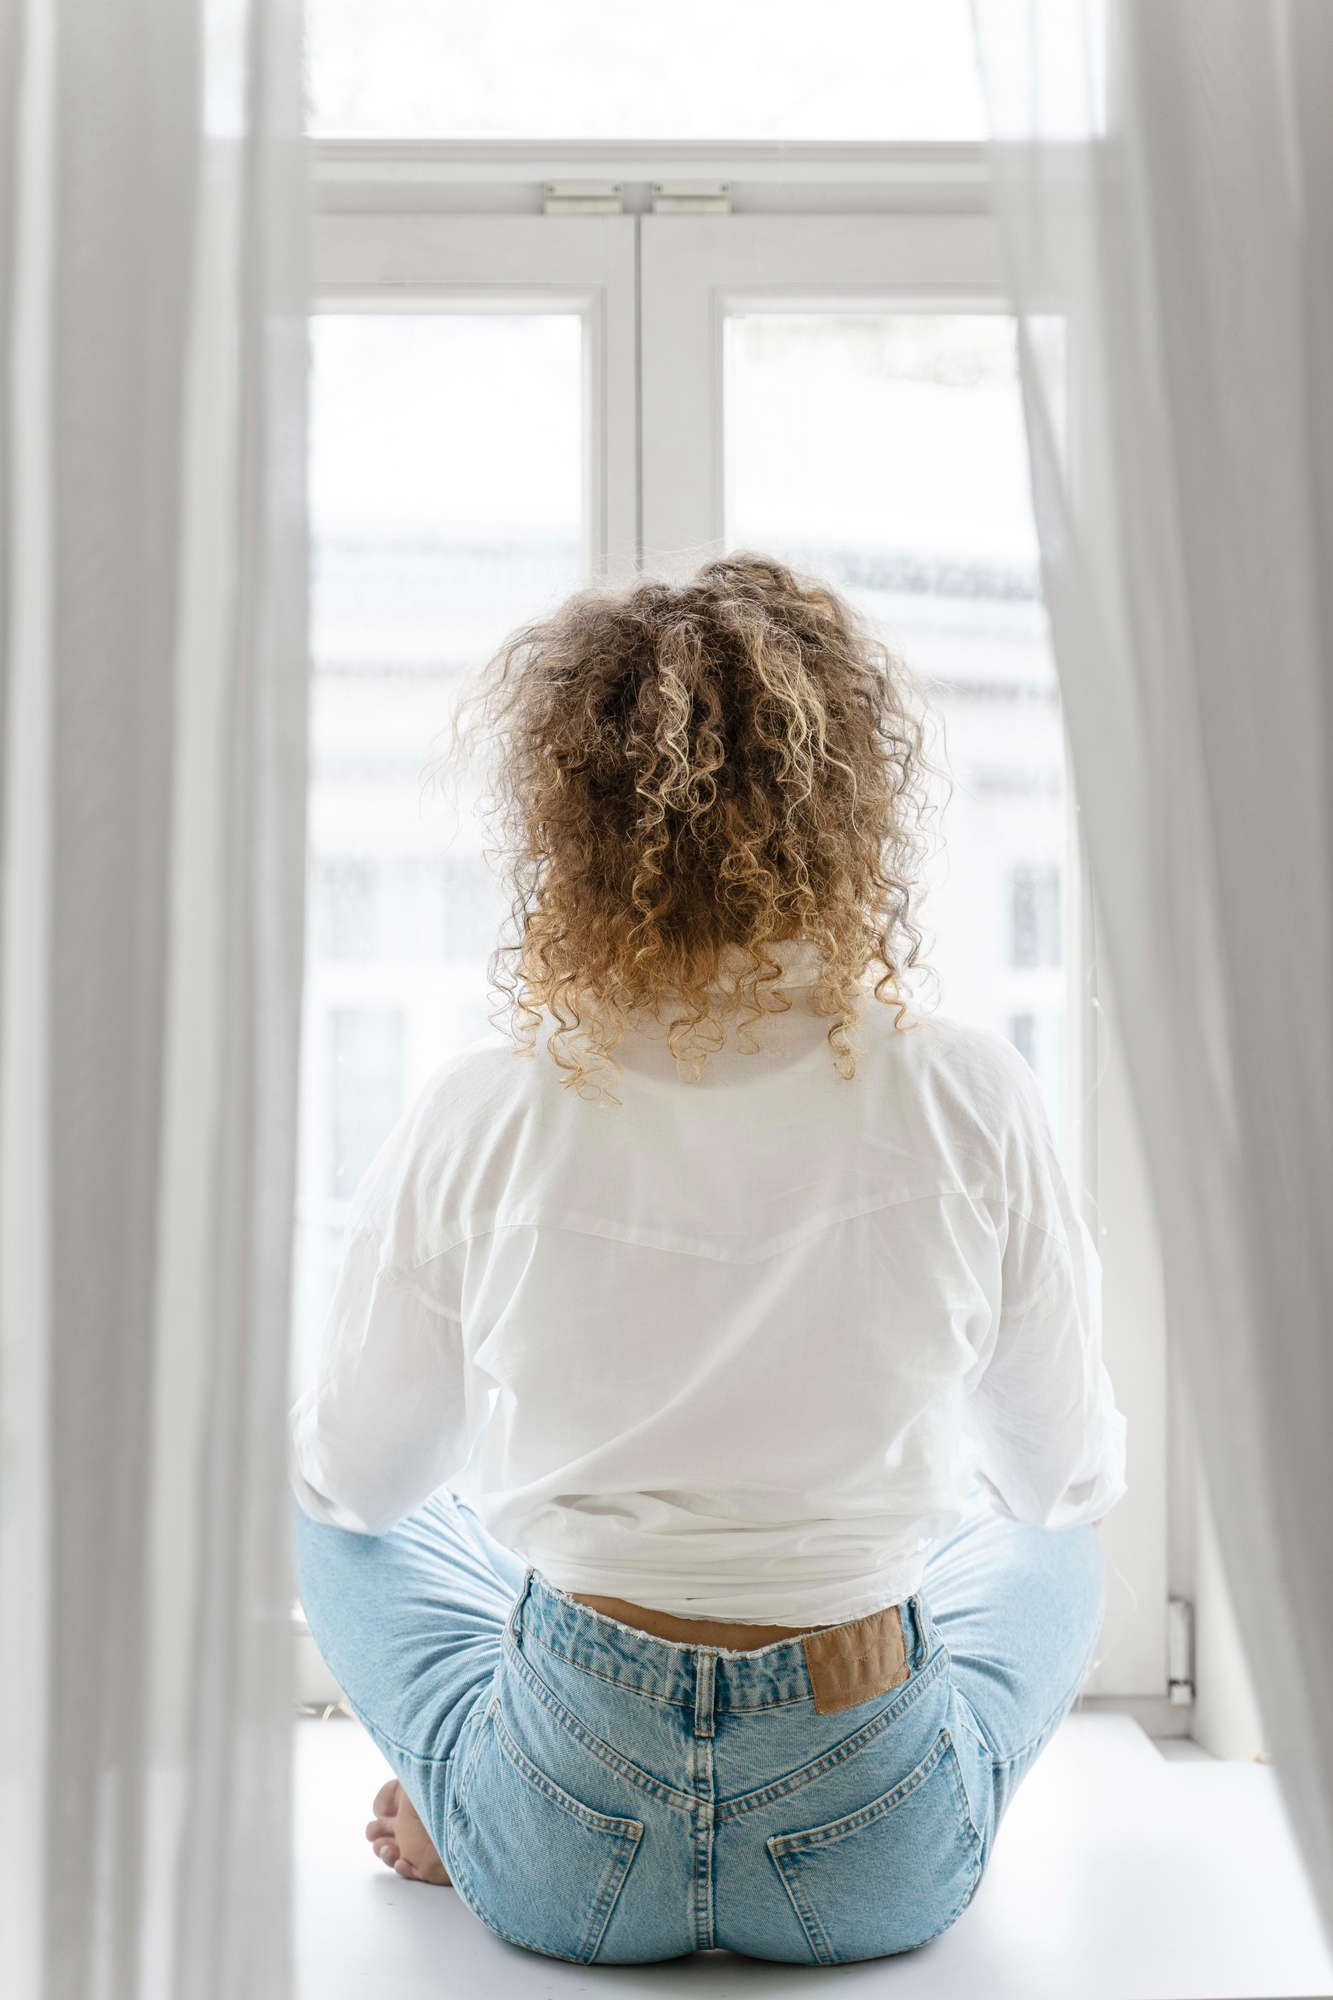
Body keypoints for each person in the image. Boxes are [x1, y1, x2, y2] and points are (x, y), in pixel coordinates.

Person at [291, 553, 1125, 1967]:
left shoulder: (487, 1104)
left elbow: (361, 1480)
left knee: (332, 1505)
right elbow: (1057, 1476)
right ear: (850, 809)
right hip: (865, 1834)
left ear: (569, 822)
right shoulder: (965, 1090)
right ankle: (905, 1786)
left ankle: (472, 1786)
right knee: (1054, 1532)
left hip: (568, 1830)